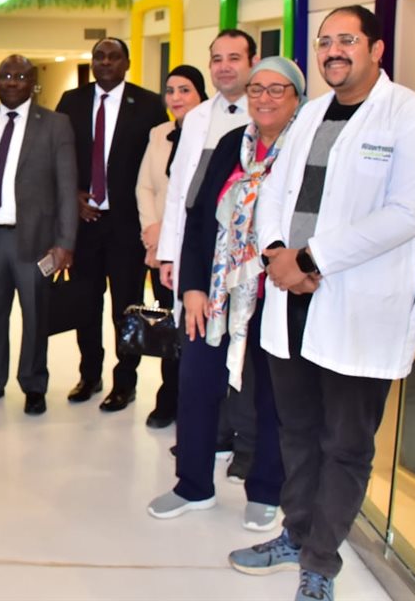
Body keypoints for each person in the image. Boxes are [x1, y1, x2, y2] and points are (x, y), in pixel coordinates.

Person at [231, 6, 415, 601]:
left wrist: (311, 259)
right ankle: (296, 534)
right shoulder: (311, 114)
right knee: (296, 431)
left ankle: (321, 563)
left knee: (345, 444)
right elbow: (275, 191)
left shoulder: (410, 117)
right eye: (325, 41)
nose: (333, 51)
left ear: (376, 48)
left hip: (356, 305)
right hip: (293, 300)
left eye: (347, 39)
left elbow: (406, 214)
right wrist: (277, 253)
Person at [147, 57, 303, 534]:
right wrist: (193, 286)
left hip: (275, 292)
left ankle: (267, 490)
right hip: (216, 292)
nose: (264, 99)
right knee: (196, 382)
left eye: (276, 90)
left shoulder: (304, 148)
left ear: (298, 98)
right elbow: (197, 217)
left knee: (272, 394)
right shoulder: (232, 144)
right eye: (257, 90)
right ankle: (192, 484)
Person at [156, 30, 259, 476]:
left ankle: (246, 445)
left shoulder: (269, 114)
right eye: (217, 59)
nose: (224, 67)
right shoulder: (196, 117)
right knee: (199, 348)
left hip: (248, 257)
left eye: (234, 58)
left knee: (247, 350)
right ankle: (206, 440)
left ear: (252, 61)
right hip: (199, 251)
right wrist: (169, 256)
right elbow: (179, 192)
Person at [55, 37, 169, 415]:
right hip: (83, 226)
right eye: (99, 56)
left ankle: (125, 382)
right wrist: (72, 194)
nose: (105, 62)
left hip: (127, 228)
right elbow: (58, 158)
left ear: (127, 63)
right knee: (84, 307)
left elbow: (156, 167)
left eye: (113, 57)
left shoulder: (149, 105)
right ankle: (89, 375)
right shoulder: (71, 102)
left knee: (126, 309)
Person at [0, 55, 77, 416]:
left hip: (36, 241)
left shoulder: (55, 125)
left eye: (20, 76)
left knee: (36, 316)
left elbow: (67, 187)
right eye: (5, 76)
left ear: (33, 83)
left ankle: (33, 383)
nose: (12, 82)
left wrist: (65, 243)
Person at [135, 64, 208, 427]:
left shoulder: (215, 131)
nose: (176, 98)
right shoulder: (159, 133)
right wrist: (152, 229)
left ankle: (199, 403)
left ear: (201, 94)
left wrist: (169, 232)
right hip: (161, 249)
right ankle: (169, 398)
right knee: (168, 325)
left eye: (185, 90)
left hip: (197, 247)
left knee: (199, 328)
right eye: (171, 90)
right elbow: (145, 186)